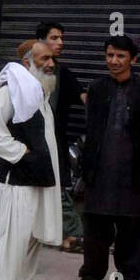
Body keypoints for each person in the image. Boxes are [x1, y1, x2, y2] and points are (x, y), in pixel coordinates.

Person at [72, 36, 140, 280]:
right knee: (95, 231)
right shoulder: (98, 88)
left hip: (133, 174)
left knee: (131, 233)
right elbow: (91, 131)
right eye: (110, 55)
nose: (114, 61)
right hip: (100, 173)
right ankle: (90, 279)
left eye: (120, 56)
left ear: (133, 60)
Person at [0, 39, 62, 280]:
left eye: (51, 58)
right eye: (43, 59)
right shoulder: (11, 91)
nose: (50, 64)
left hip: (41, 179)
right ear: (27, 62)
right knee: (13, 240)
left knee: (32, 240)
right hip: (18, 180)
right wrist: (19, 153)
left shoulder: (40, 95)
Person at [36, 22, 86, 188]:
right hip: (31, 146)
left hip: (56, 146)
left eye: (61, 38)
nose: (60, 43)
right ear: (40, 41)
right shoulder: (23, 73)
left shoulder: (64, 74)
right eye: (54, 38)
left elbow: (85, 98)